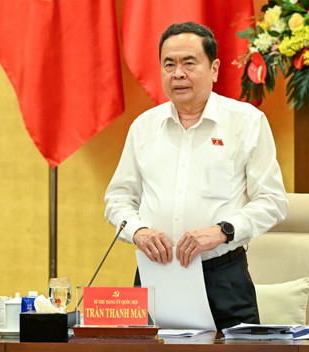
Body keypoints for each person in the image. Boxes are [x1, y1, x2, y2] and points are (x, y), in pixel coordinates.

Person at [104, 21, 288, 330]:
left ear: (214, 69)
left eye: (189, 63)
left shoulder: (246, 123)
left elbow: (273, 202)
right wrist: (138, 231)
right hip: (156, 275)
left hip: (223, 276)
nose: (178, 73)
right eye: (169, 64)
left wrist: (223, 230)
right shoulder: (143, 128)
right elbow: (117, 199)